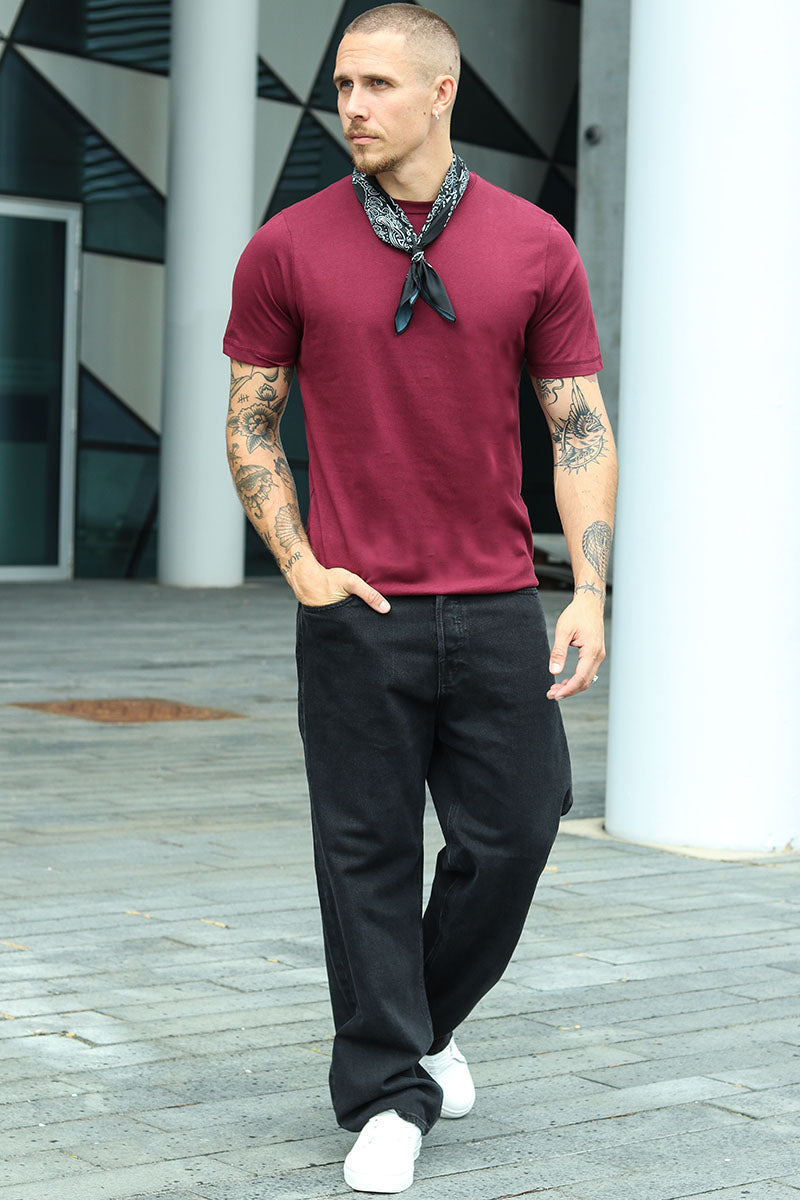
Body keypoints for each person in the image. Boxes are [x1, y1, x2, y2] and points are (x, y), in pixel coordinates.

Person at [223, 4, 617, 1192]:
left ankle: (418, 1026)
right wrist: (298, 563)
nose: (350, 105)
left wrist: (589, 585)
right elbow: (251, 423)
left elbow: (577, 425)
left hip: (496, 603)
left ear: (441, 93)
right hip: (356, 609)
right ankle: (388, 1095)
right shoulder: (286, 247)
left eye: (377, 84)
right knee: (366, 857)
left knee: (519, 828)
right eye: (341, 84)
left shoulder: (532, 245)